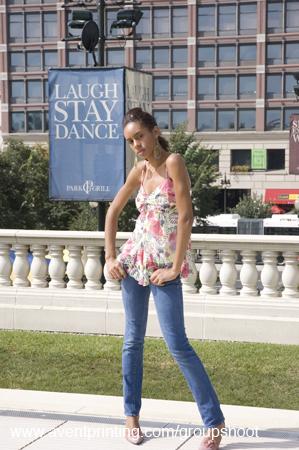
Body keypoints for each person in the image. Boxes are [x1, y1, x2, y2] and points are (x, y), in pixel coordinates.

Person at [104, 108, 225, 449]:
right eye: (130, 141)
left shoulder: (174, 161)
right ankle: (131, 417)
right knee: (132, 341)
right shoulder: (139, 171)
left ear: (154, 132)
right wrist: (111, 257)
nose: (136, 145)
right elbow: (112, 212)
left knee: (178, 345)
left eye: (139, 137)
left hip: (163, 268)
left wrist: (174, 267)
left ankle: (214, 422)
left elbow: (186, 217)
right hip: (135, 264)